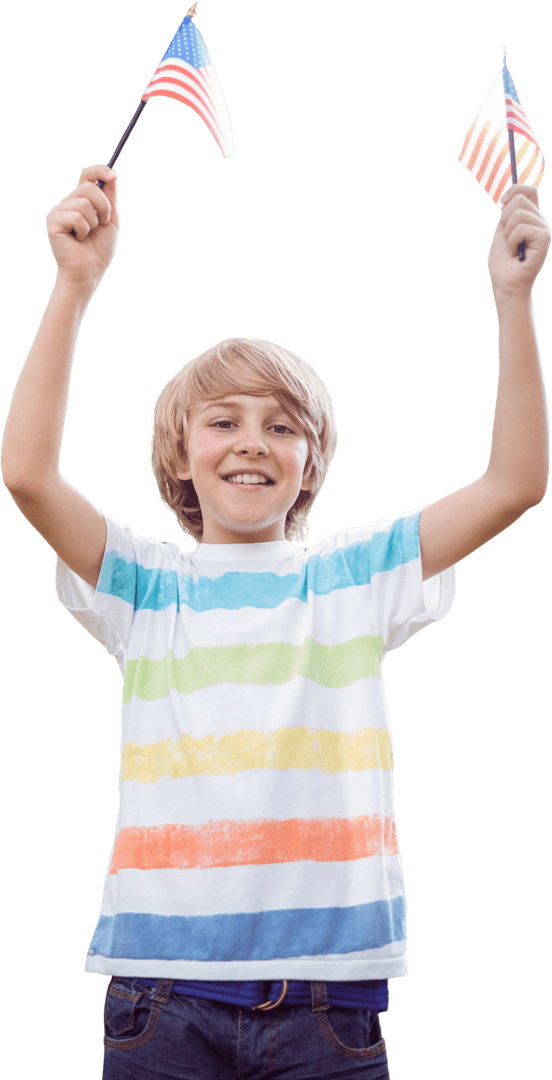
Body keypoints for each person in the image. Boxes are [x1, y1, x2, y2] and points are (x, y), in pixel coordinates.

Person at [1, 163, 549, 1080]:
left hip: (330, 1001)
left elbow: (515, 484)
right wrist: (72, 285)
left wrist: (512, 296)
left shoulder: (354, 577)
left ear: (312, 463)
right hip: (159, 997)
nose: (253, 440)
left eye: (283, 426)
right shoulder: (146, 588)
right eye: (224, 421)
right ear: (182, 453)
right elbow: (26, 473)